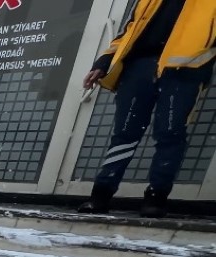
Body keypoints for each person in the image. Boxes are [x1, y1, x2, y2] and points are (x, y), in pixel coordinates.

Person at [79, 0, 216, 219]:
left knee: (170, 134)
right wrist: (103, 62)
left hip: (185, 72)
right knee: (124, 133)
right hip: (138, 67)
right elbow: (129, 30)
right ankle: (101, 195)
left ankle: (156, 197)